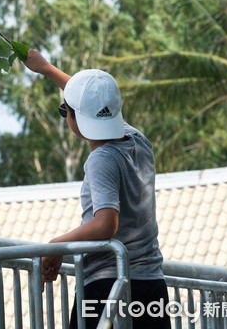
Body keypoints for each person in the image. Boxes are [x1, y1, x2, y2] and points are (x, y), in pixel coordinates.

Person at [23, 49, 171, 329]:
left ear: (75, 118)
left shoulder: (101, 159)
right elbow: (94, 102)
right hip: (151, 286)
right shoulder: (138, 140)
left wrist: (55, 246)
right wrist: (47, 69)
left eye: (64, 110)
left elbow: (106, 224)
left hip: (108, 290)